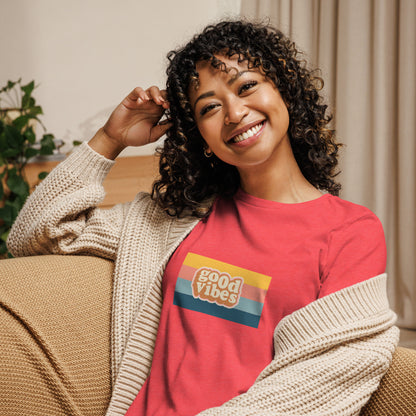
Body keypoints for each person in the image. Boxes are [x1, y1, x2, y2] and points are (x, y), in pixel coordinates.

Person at [6, 20, 398, 416]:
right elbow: (37, 235)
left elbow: (325, 376)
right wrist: (110, 139)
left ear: (284, 90)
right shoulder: (176, 221)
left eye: (246, 87)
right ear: (201, 137)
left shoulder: (349, 231)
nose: (234, 112)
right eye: (209, 107)